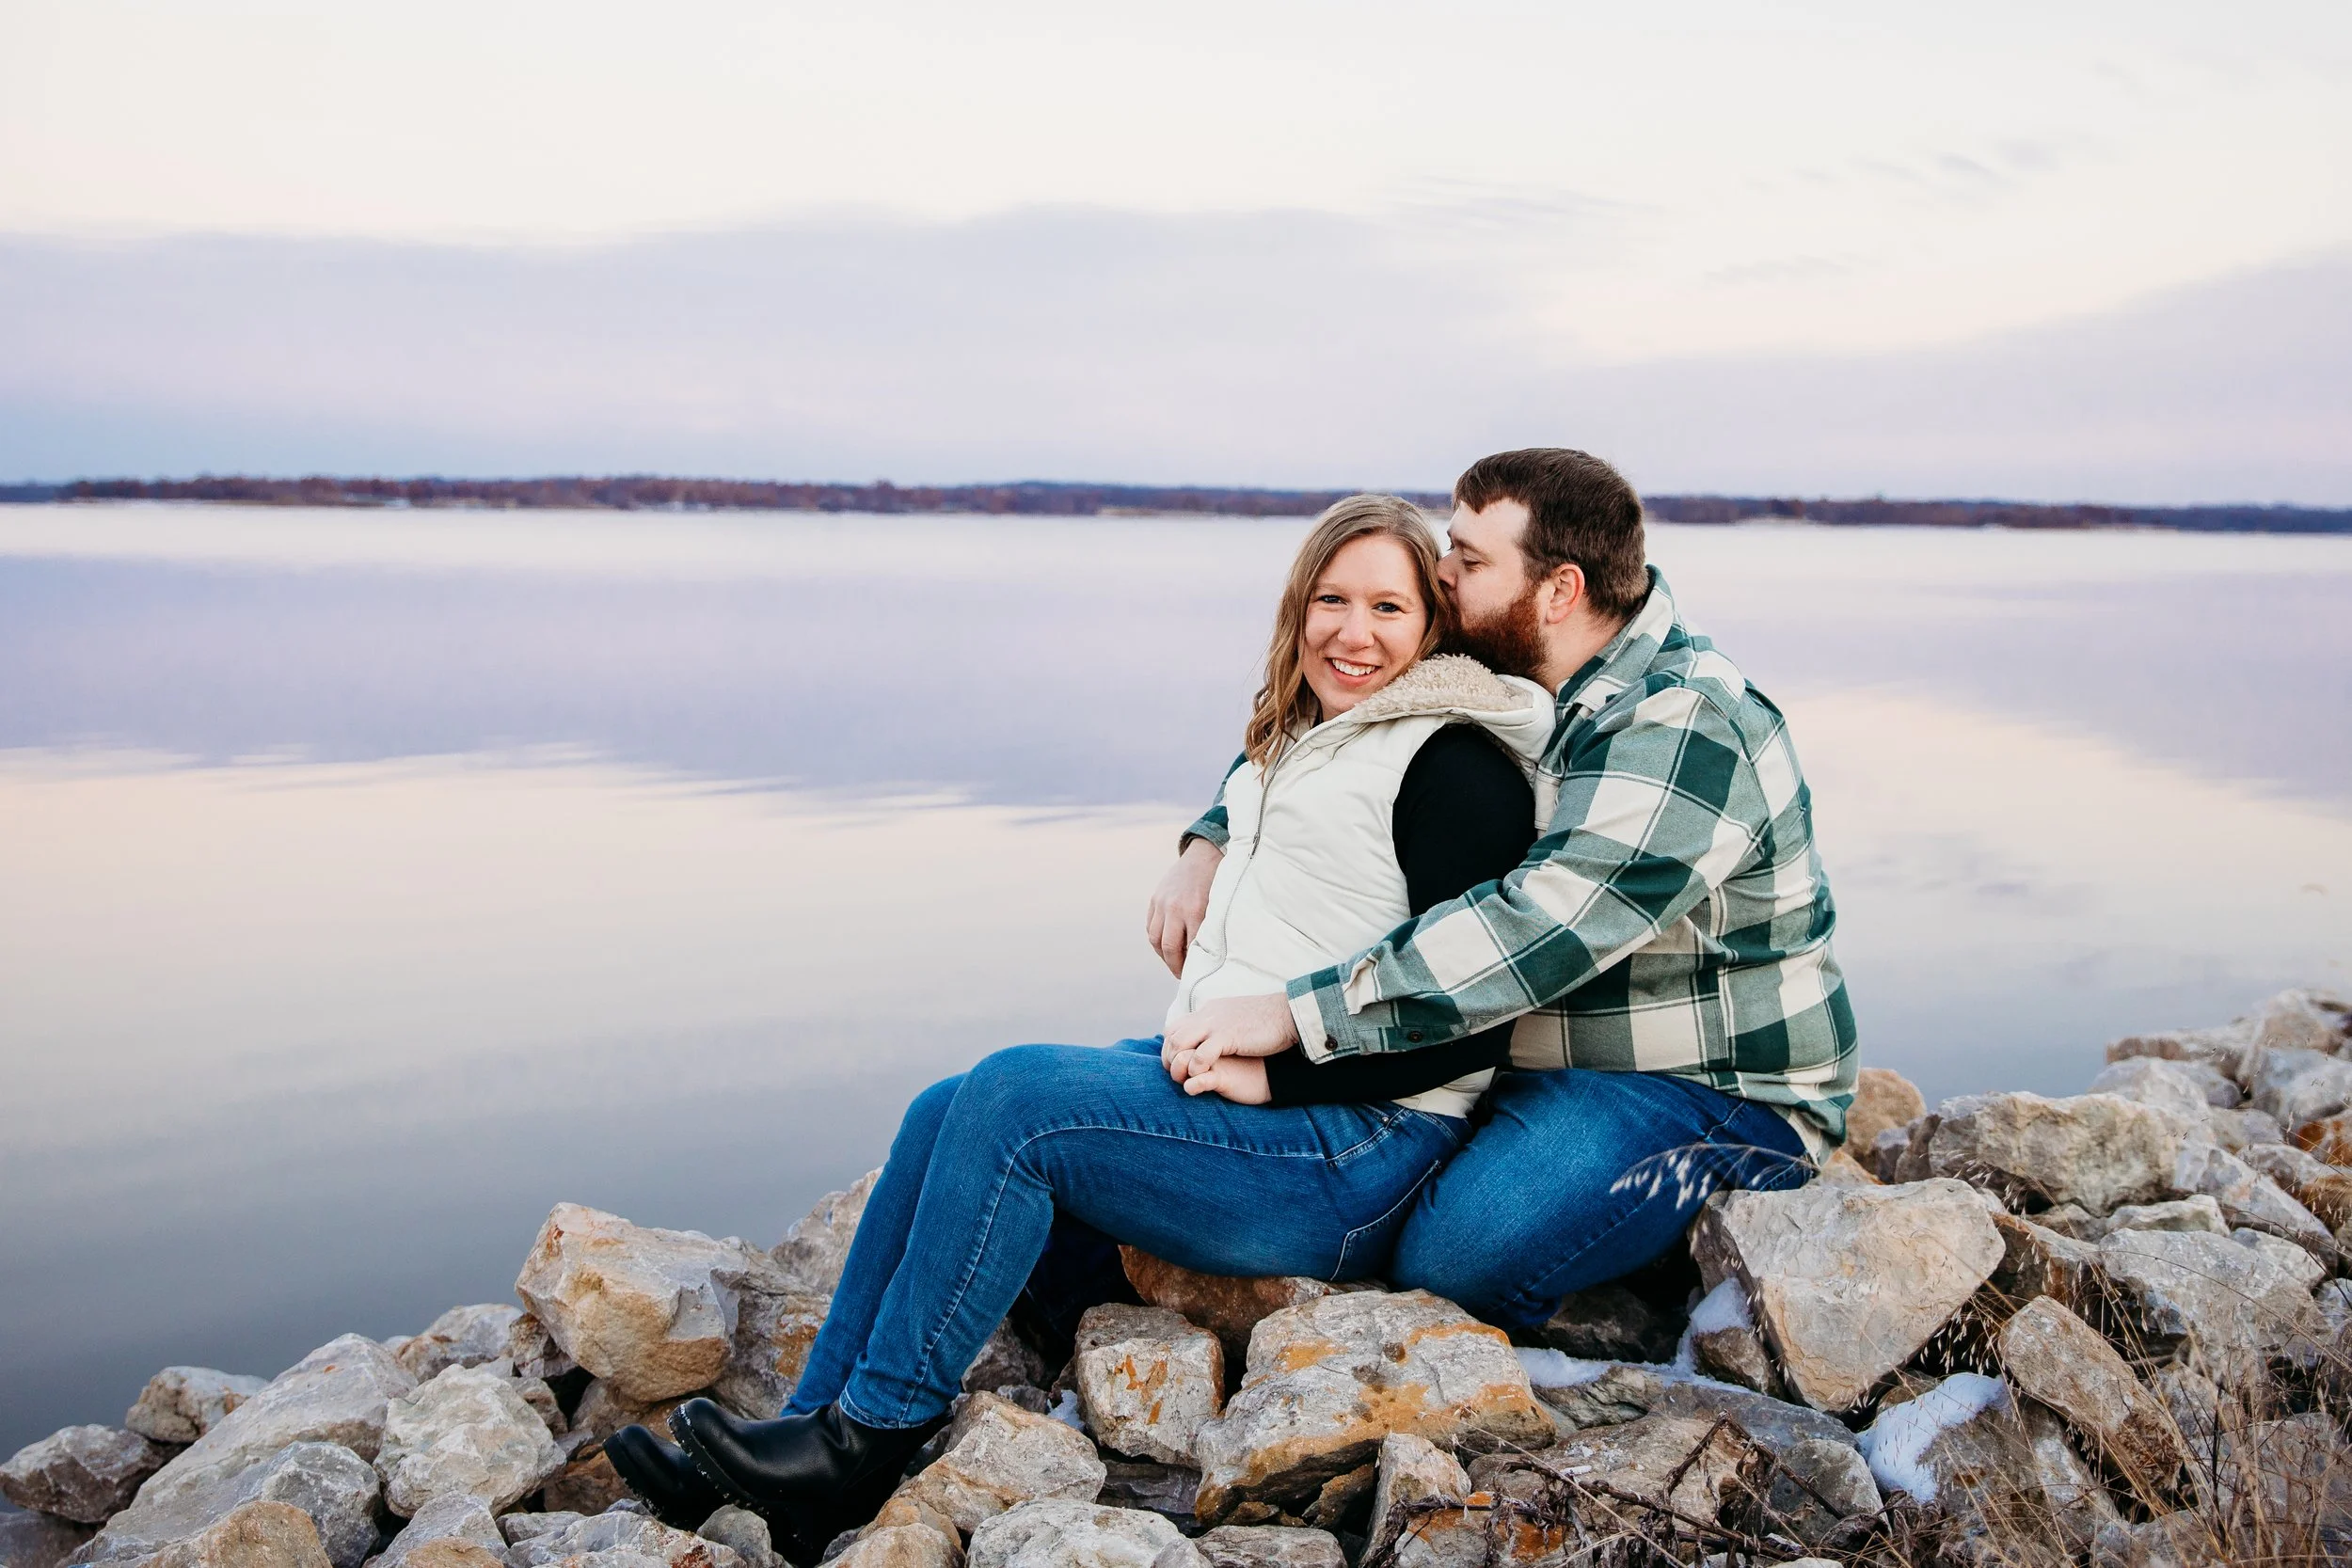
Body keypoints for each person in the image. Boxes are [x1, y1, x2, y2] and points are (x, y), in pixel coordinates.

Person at [603, 494, 1555, 1557]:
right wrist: (1201, 846)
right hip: (1268, 1095)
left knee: (1014, 1097)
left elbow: (1478, 1022)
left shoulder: (1453, 765)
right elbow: (1261, 806)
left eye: (1388, 605)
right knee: (943, 1106)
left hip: (1361, 1145)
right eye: (1331, 599)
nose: (1354, 630)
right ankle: (805, 1438)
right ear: (1297, 610)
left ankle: (870, 1433)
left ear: (1432, 624)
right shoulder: (1314, 738)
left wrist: (1274, 1077)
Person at [1159, 447, 1858, 1334]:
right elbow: (1329, 720)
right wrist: (1210, 840)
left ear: (1558, 590)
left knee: (1458, 1258)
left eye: (1468, 559)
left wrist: (1298, 1016)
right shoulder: (1516, 654)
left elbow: (1536, 929)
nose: (1441, 575)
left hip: (1709, 1090)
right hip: (1521, 1060)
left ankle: (1636, 1312)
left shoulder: (1684, 722)